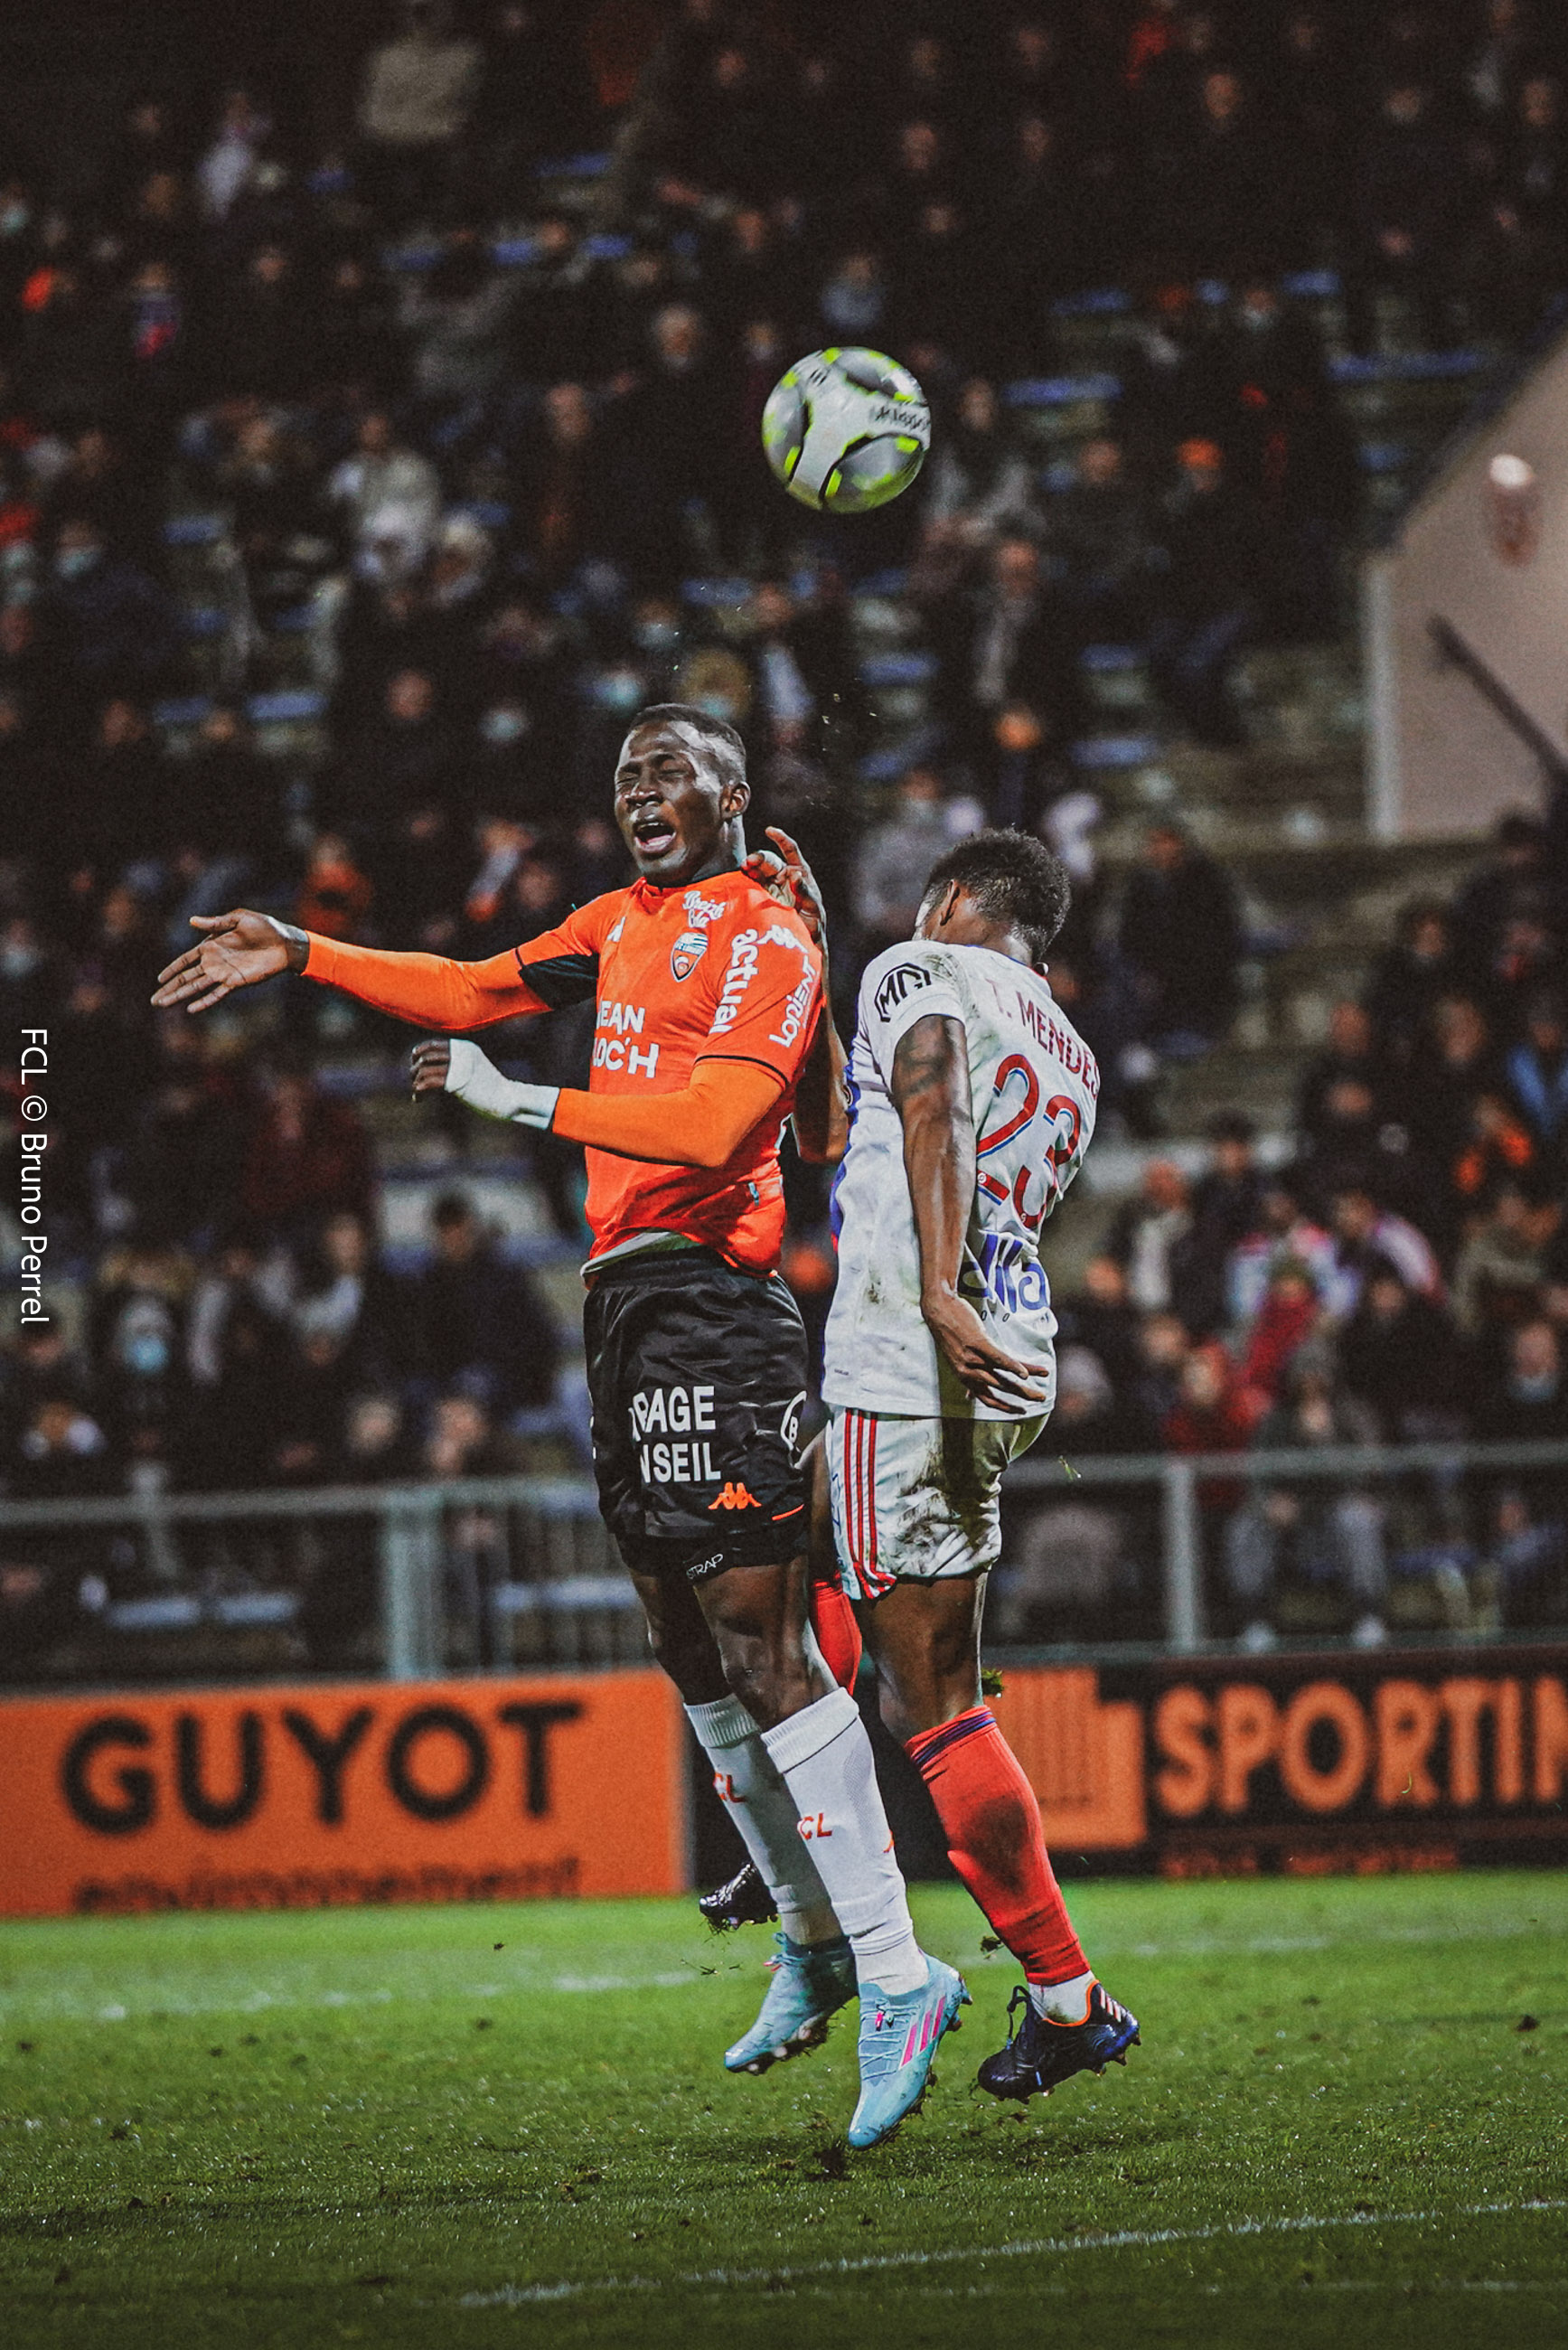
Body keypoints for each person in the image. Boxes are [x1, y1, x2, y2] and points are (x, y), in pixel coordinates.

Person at [153, 703, 962, 2151]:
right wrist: (307, 949)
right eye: (624, 774)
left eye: (667, 772)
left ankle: (903, 1971)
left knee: (764, 1644)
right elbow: (470, 987)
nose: (638, 790)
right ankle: (811, 1939)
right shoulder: (616, 922)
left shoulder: (768, 937)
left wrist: (520, 1102)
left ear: (733, 794)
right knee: (683, 1644)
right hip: (623, 1304)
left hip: (716, 1307)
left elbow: (721, 1132)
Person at [769, 825, 1140, 2108]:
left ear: (953, 898)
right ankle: (803, 1845)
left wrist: (933, 1289)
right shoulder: (1072, 1050)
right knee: (814, 1576)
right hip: (1005, 1364)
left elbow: (927, 1098)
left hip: (912, 1353)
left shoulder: (919, 968)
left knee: (923, 1704)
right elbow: (840, 1127)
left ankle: (1055, 1989)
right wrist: (816, 958)